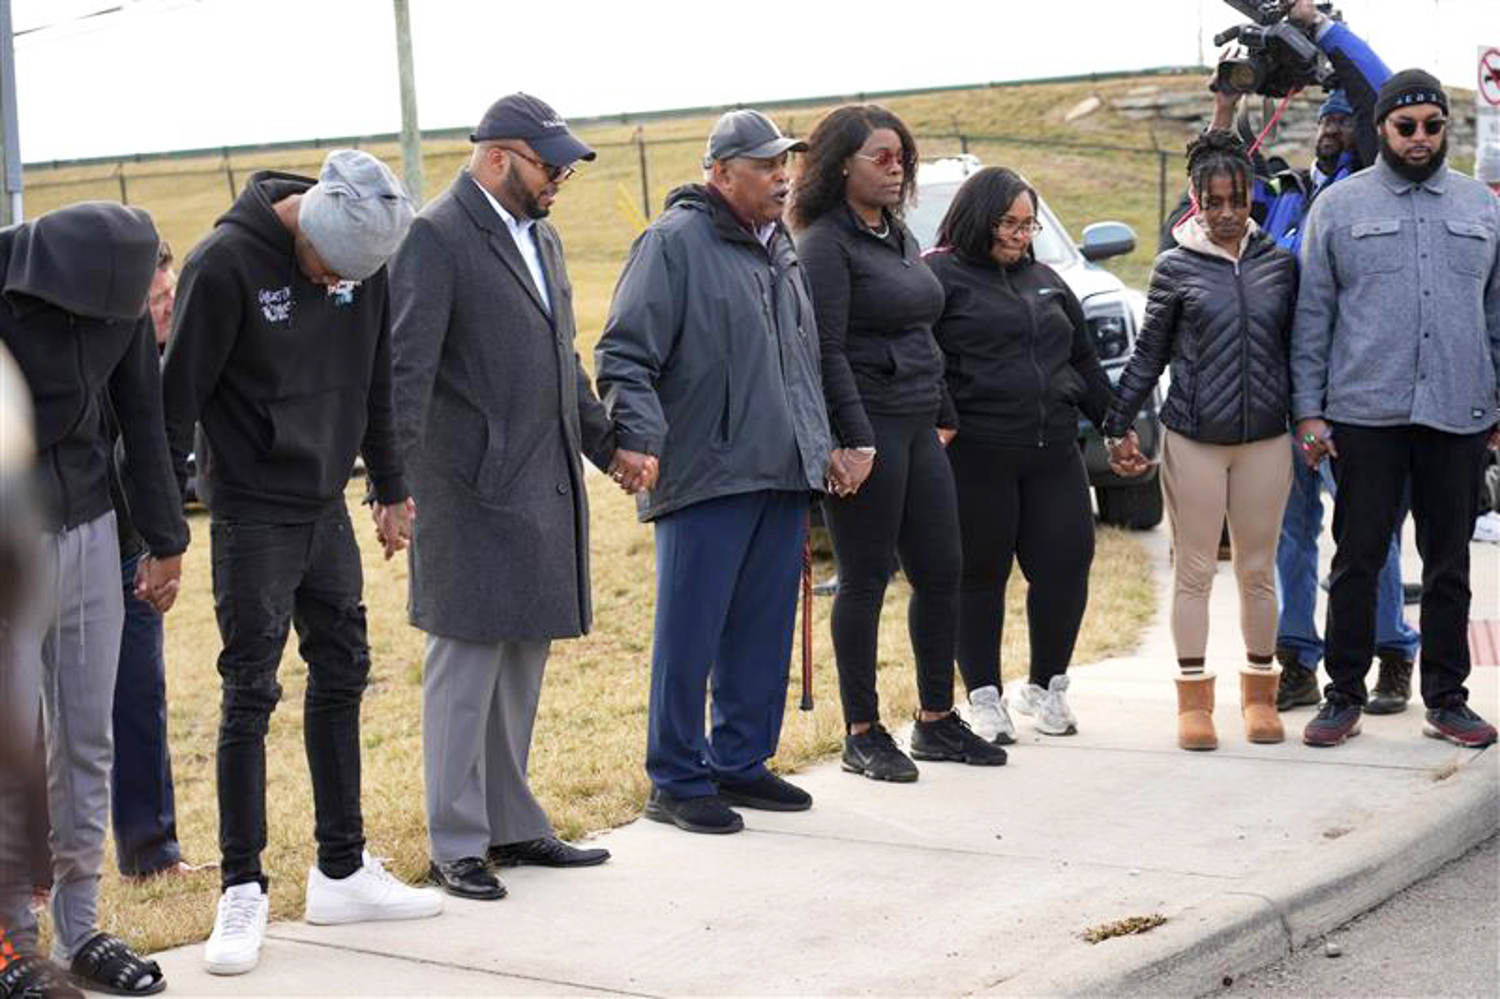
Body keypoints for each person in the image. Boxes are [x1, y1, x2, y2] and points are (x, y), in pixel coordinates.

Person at [162, 149, 442, 977]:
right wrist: (159, 531)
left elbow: (373, 383)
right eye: (325, 274)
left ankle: (343, 867)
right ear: (305, 228)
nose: (334, 288)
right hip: (250, 512)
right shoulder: (222, 268)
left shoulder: (363, 258)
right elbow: (174, 406)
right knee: (250, 688)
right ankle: (242, 886)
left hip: (325, 505)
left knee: (345, 668)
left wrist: (390, 486)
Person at [389, 93, 622, 898]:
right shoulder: (436, 236)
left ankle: (512, 824)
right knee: (464, 671)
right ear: (497, 158)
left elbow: (565, 359)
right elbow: (406, 371)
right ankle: (457, 843)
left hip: (542, 484)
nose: (560, 178)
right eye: (548, 164)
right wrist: (394, 484)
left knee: (522, 660)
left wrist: (608, 443)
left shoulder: (544, 239)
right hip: (464, 492)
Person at [595, 109, 832, 833]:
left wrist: (822, 446)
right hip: (705, 471)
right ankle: (675, 777)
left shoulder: (780, 246)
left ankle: (740, 761)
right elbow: (625, 354)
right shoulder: (671, 244)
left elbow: (803, 358)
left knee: (762, 628)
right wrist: (637, 438)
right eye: (766, 166)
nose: (782, 177)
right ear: (721, 172)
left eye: (785, 163)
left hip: (781, 467)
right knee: (690, 634)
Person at [1210, 1, 1421, 716]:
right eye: (1324, 119)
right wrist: (1225, 104)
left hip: (1360, 391)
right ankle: (1298, 657)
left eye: (1344, 118)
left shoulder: (1373, 188)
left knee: (1370, 532)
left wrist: (1323, 29)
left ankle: (1391, 651)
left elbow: (1380, 90)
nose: (1334, 127)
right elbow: (1213, 195)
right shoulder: (1290, 199)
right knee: (1288, 533)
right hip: (1283, 394)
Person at [0, 201, 188, 995]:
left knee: (87, 736)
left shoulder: (120, 310)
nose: (131, 316)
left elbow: (142, 416)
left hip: (92, 531)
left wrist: (165, 535)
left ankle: (80, 930)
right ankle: (13, 944)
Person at [791, 104, 1006, 780]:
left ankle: (936, 719)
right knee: (865, 577)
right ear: (840, 166)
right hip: (867, 427)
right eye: (880, 157)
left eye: (902, 156)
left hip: (918, 424)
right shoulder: (824, 243)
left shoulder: (896, 234)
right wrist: (852, 439)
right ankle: (862, 731)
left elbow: (923, 329)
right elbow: (824, 350)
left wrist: (943, 411)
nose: (895, 168)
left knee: (942, 569)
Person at [1292, 70, 1500, 750]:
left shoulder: (1482, 208)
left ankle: (1447, 699)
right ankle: (1343, 695)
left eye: (1432, 126)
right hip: (1365, 413)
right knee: (1357, 558)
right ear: (1380, 128)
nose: (1419, 138)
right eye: (1405, 126)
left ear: (1446, 130)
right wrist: (1310, 413)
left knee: (1449, 566)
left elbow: (1497, 315)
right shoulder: (1340, 207)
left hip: (1458, 414)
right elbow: (1313, 316)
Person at [1104, 132, 1298, 752]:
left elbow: (1302, 350)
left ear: (1253, 198)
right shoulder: (1175, 266)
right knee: (1192, 570)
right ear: (1194, 199)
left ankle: (1261, 694)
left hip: (1266, 438)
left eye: (1235, 199)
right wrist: (1117, 423)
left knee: (1257, 569)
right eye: (1211, 201)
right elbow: (1148, 355)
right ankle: (1194, 702)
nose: (1224, 213)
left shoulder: (1280, 265)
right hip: (1194, 439)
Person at [926, 167, 1132, 743]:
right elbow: (925, 357)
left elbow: (1085, 362)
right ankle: (984, 697)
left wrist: (1117, 425)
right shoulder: (938, 276)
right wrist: (945, 417)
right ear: (977, 219)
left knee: (1067, 565)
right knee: (980, 576)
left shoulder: (1045, 279)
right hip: (978, 453)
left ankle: (1046, 687)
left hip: (1054, 451)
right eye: (1008, 223)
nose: (1020, 235)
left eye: (1027, 224)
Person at [107, 240, 195, 881]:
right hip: (79, 544)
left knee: (141, 694)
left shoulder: (169, 357)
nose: (166, 310)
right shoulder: (86, 353)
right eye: (156, 301)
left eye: (169, 296)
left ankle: (152, 850)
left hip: (135, 550)